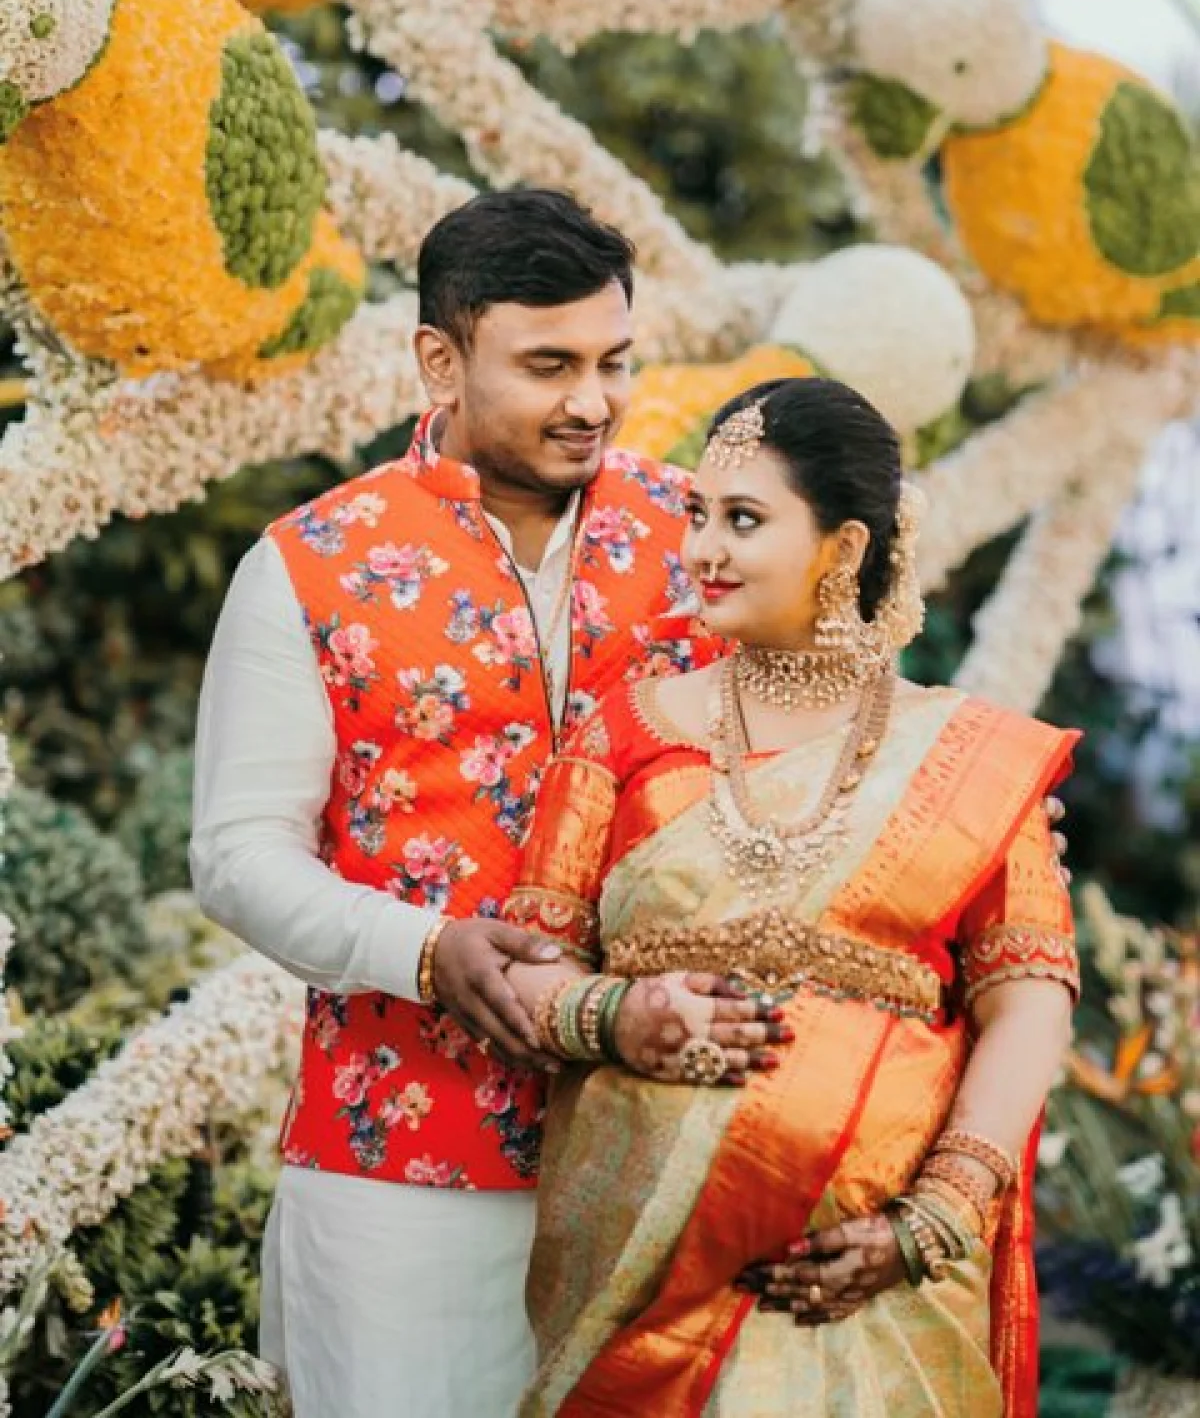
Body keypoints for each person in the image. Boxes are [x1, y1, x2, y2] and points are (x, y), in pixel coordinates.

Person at [189, 189, 783, 1417]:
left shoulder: (702, 543)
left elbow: (828, 748)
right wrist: (424, 951)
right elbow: (239, 854)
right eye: (548, 365)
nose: (593, 402)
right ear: (440, 360)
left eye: (614, 362)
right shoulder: (314, 563)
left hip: (672, 1154)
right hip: (398, 1179)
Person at [499, 376, 1081, 1418]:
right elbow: (526, 969)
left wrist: (936, 1217)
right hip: (638, 1274)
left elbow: (1029, 1001)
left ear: (843, 548)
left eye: (743, 519)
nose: (702, 550)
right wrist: (615, 1016)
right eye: (698, 514)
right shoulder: (624, 732)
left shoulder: (970, 757)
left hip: (883, 1289)